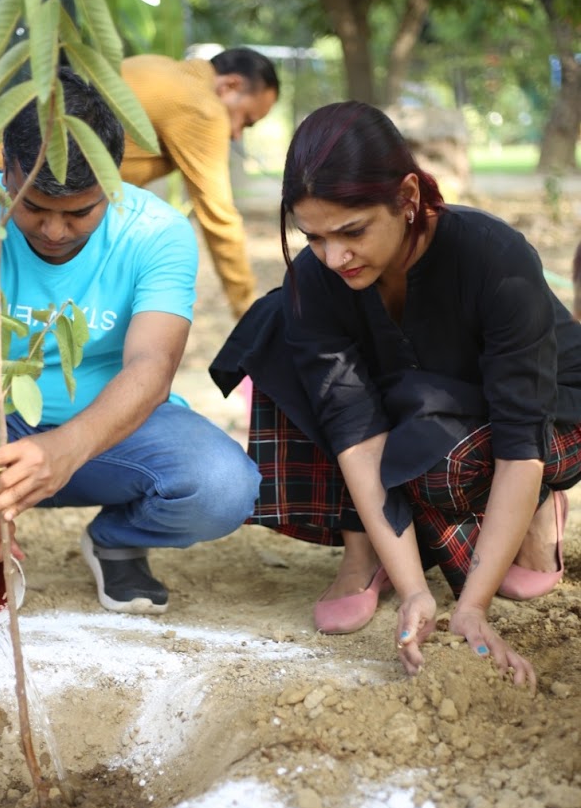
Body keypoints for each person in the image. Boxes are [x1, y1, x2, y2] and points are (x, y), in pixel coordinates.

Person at [211, 100, 581, 689]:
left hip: (545, 415)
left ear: (408, 198)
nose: (334, 257)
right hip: (422, 398)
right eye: (313, 236)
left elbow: (519, 441)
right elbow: (355, 435)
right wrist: (414, 592)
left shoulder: (494, 259)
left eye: (352, 232)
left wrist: (472, 608)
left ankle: (538, 509)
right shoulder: (318, 275)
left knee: (436, 457)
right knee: (279, 330)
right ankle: (368, 556)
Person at [0, 68, 261, 646]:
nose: (54, 230)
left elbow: (151, 367)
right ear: (7, 172)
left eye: (79, 213)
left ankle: (116, 540)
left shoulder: (156, 231)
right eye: (35, 206)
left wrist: (62, 450)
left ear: (113, 184)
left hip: (106, 433)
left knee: (222, 486)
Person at [118, 48, 280, 320]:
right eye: (246, 120)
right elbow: (219, 218)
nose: (237, 135)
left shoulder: (156, 64)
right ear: (230, 85)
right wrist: (248, 311)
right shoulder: (203, 108)